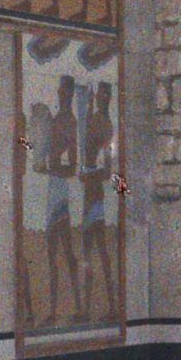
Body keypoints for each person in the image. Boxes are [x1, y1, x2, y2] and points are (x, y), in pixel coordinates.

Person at [78, 80, 119, 322]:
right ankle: (91, 308)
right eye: (97, 96)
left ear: (108, 99)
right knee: (93, 251)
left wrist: (87, 175)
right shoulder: (94, 121)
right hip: (89, 195)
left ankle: (104, 307)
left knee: (96, 251)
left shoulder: (105, 125)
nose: (100, 100)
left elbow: (106, 172)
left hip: (95, 196)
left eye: (104, 96)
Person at [43, 76, 81, 322]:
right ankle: (55, 311)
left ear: (69, 94)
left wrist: (54, 167)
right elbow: (38, 151)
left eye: (64, 92)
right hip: (52, 189)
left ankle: (77, 308)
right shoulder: (56, 120)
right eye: (59, 91)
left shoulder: (70, 122)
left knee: (65, 251)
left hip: (60, 194)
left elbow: (72, 168)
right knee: (51, 253)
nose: (60, 95)